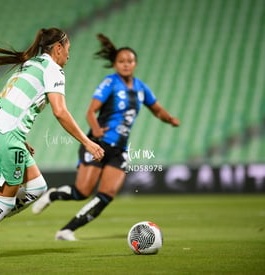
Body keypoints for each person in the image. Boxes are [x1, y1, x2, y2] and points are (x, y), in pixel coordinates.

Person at [0, 27, 105, 261]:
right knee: (2, 204)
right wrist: (87, 142)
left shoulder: (31, 64)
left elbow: (0, 99)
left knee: (36, 187)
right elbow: (60, 112)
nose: (69, 55)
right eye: (68, 49)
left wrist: (19, 137)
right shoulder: (53, 70)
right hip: (6, 136)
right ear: (58, 48)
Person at [32, 33, 180, 241]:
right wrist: (96, 130)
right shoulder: (110, 82)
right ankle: (53, 194)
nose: (126, 64)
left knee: (106, 194)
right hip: (98, 143)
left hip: (119, 149)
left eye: (130, 61)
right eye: (122, 61)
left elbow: (157, 110)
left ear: (135, 64)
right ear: (115, 64)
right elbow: (91, 111)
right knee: (82, 192)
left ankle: (67, 230)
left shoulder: (140, 88)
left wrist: (170, 119)